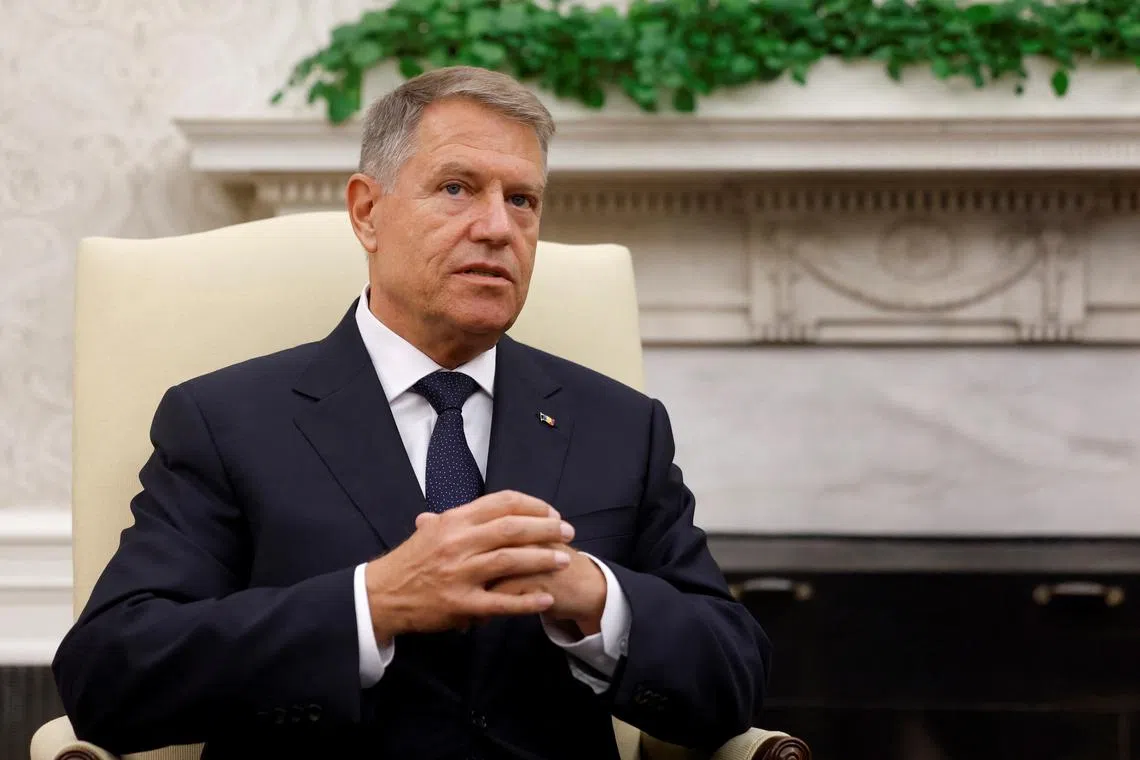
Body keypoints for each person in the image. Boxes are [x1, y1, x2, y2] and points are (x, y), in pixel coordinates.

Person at [52, 66, 771, 760]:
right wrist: (371, 604)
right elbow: (112, 673)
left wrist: (597, 599)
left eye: (523, 199)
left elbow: (735, 674)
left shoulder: (622, 426)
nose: (498, 227)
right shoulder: (226, 421)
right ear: (367, 212)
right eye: (457, 188)